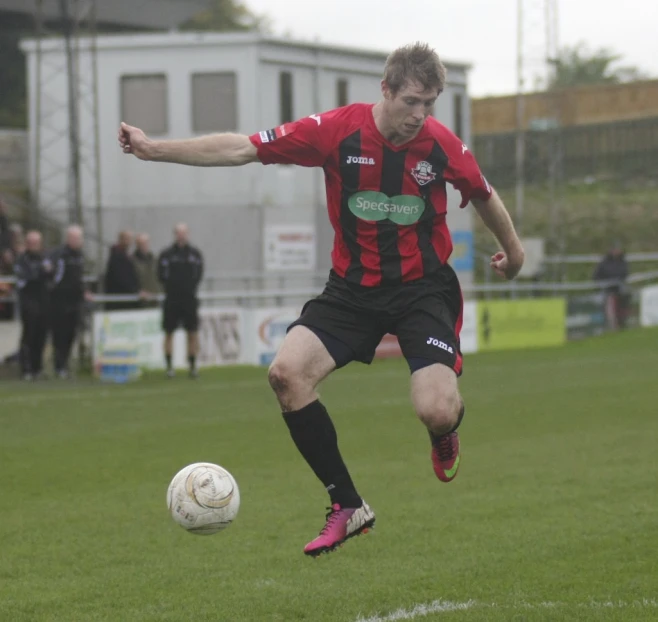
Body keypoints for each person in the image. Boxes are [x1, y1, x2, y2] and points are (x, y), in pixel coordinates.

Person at [118, 42, 525, 556]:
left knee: (436, 409)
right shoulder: (335, 131)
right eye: (412, 102)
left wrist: (515, 255)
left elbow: (484, 194)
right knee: (286, 375)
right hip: (351, 290)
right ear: (386, 89)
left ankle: (446, 431)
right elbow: (243, 147)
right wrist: (154, 149)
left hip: (422, 290)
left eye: (430, 104)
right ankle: (348, 505)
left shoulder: (440, 145)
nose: (420, 116)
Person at [157, 223, 204, 379]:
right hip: (172, 299)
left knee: (192, 333)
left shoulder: (194, 254)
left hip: (189, 299)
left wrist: (189, 287)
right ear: (175, 234)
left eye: (184, 233)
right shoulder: (167, 254)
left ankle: (192, 366)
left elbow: (199, 274)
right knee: (169, 332)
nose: (181, 235)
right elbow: (161, 275)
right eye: (179, 233)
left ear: (188, 234)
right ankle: (169, 367)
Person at [49, 225, 90, 378]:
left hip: (75, 301)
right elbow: (55, 278)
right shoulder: (60, 255)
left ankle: (64, 364)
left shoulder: (79, 255)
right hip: (60, 301)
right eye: (76, 238)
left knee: (71, 334)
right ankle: (59, 366)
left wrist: (83, 291)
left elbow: (78, 278)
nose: (79, 241)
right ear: (69, 238)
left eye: (80, 238)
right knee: (60, 334)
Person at [14, 230, 51, 380]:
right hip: (28, 302)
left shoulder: (44, 258)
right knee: (29, 335)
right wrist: (41, 272)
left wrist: (44, 272)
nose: (33, 245)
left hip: (43, 301)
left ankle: (37, 368)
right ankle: (26, 369)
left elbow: (50, 273)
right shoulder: (22, 260)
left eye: (36, 243)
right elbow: (27, 277)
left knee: (41, 336)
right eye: (31, 242)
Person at [593, 242, 629, 330]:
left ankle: (622, 324)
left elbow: (625, 273)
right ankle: (612, 326)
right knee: (610, 309)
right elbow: (596, 276)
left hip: (620, 290)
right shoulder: (604, 263)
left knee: (622, 307)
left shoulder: (622, 261)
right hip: (608, 291)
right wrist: (603, 283)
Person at [104, 230, 141, 310]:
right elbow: (122, 278)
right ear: (121, 239)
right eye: (127, 239)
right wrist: (136, 291)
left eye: (130, 239)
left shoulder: (127, 256)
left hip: (127, 298)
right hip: (119, 300)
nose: (130, 242)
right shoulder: (117, 257)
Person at [133, 233, 161, 307]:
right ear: (137, 245)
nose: (143, 246)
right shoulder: (132, 261)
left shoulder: (155, 260)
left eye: (145, 243)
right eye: (141, 243)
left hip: (156, 299)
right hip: (140, 300)